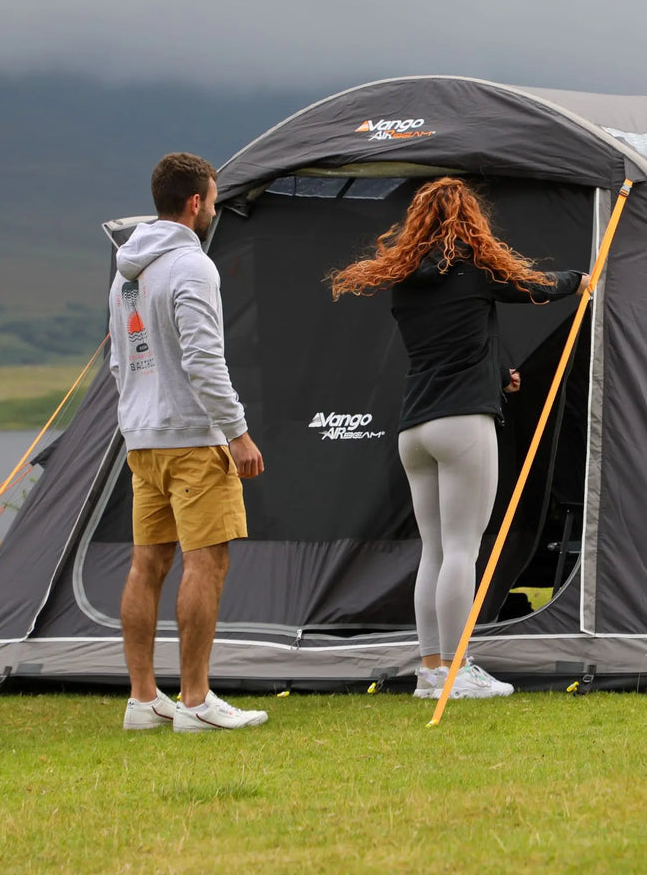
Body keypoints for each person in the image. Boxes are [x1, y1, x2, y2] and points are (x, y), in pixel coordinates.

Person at [331, 178, 587, 699]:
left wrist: (499, 372)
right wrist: (579, 280)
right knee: (463, 551)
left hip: (415, 428)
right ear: (469, 221)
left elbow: (453, 342)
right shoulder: (475, 270)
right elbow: (534, 286)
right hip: (463, 424)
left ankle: (431, 670)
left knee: (434, 551)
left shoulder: (405, 282)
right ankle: (457, 668)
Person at [108, 152, 269, 732]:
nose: (215, 209)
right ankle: (196, 702)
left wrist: (136, 420)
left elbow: (118, 360)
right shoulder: (192, 267)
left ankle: (144, 701)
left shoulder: (128, 271)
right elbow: (204, 360)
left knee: (146, 564)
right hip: (194, 440)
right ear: (196, 202)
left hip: (143, 440)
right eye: (215, 199)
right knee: (208, 561)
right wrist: (238, 434)